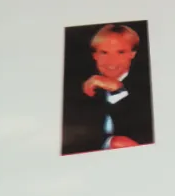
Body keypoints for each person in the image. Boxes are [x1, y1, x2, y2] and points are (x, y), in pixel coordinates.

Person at [62, 23, 154, 154]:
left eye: (120, 52)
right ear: (95, 55)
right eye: (104, 52)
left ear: (132, 54)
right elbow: (74, 138)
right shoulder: (79, 86)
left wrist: (118, 90)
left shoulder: (146, 86)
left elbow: (142, 133)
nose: (112, 60)